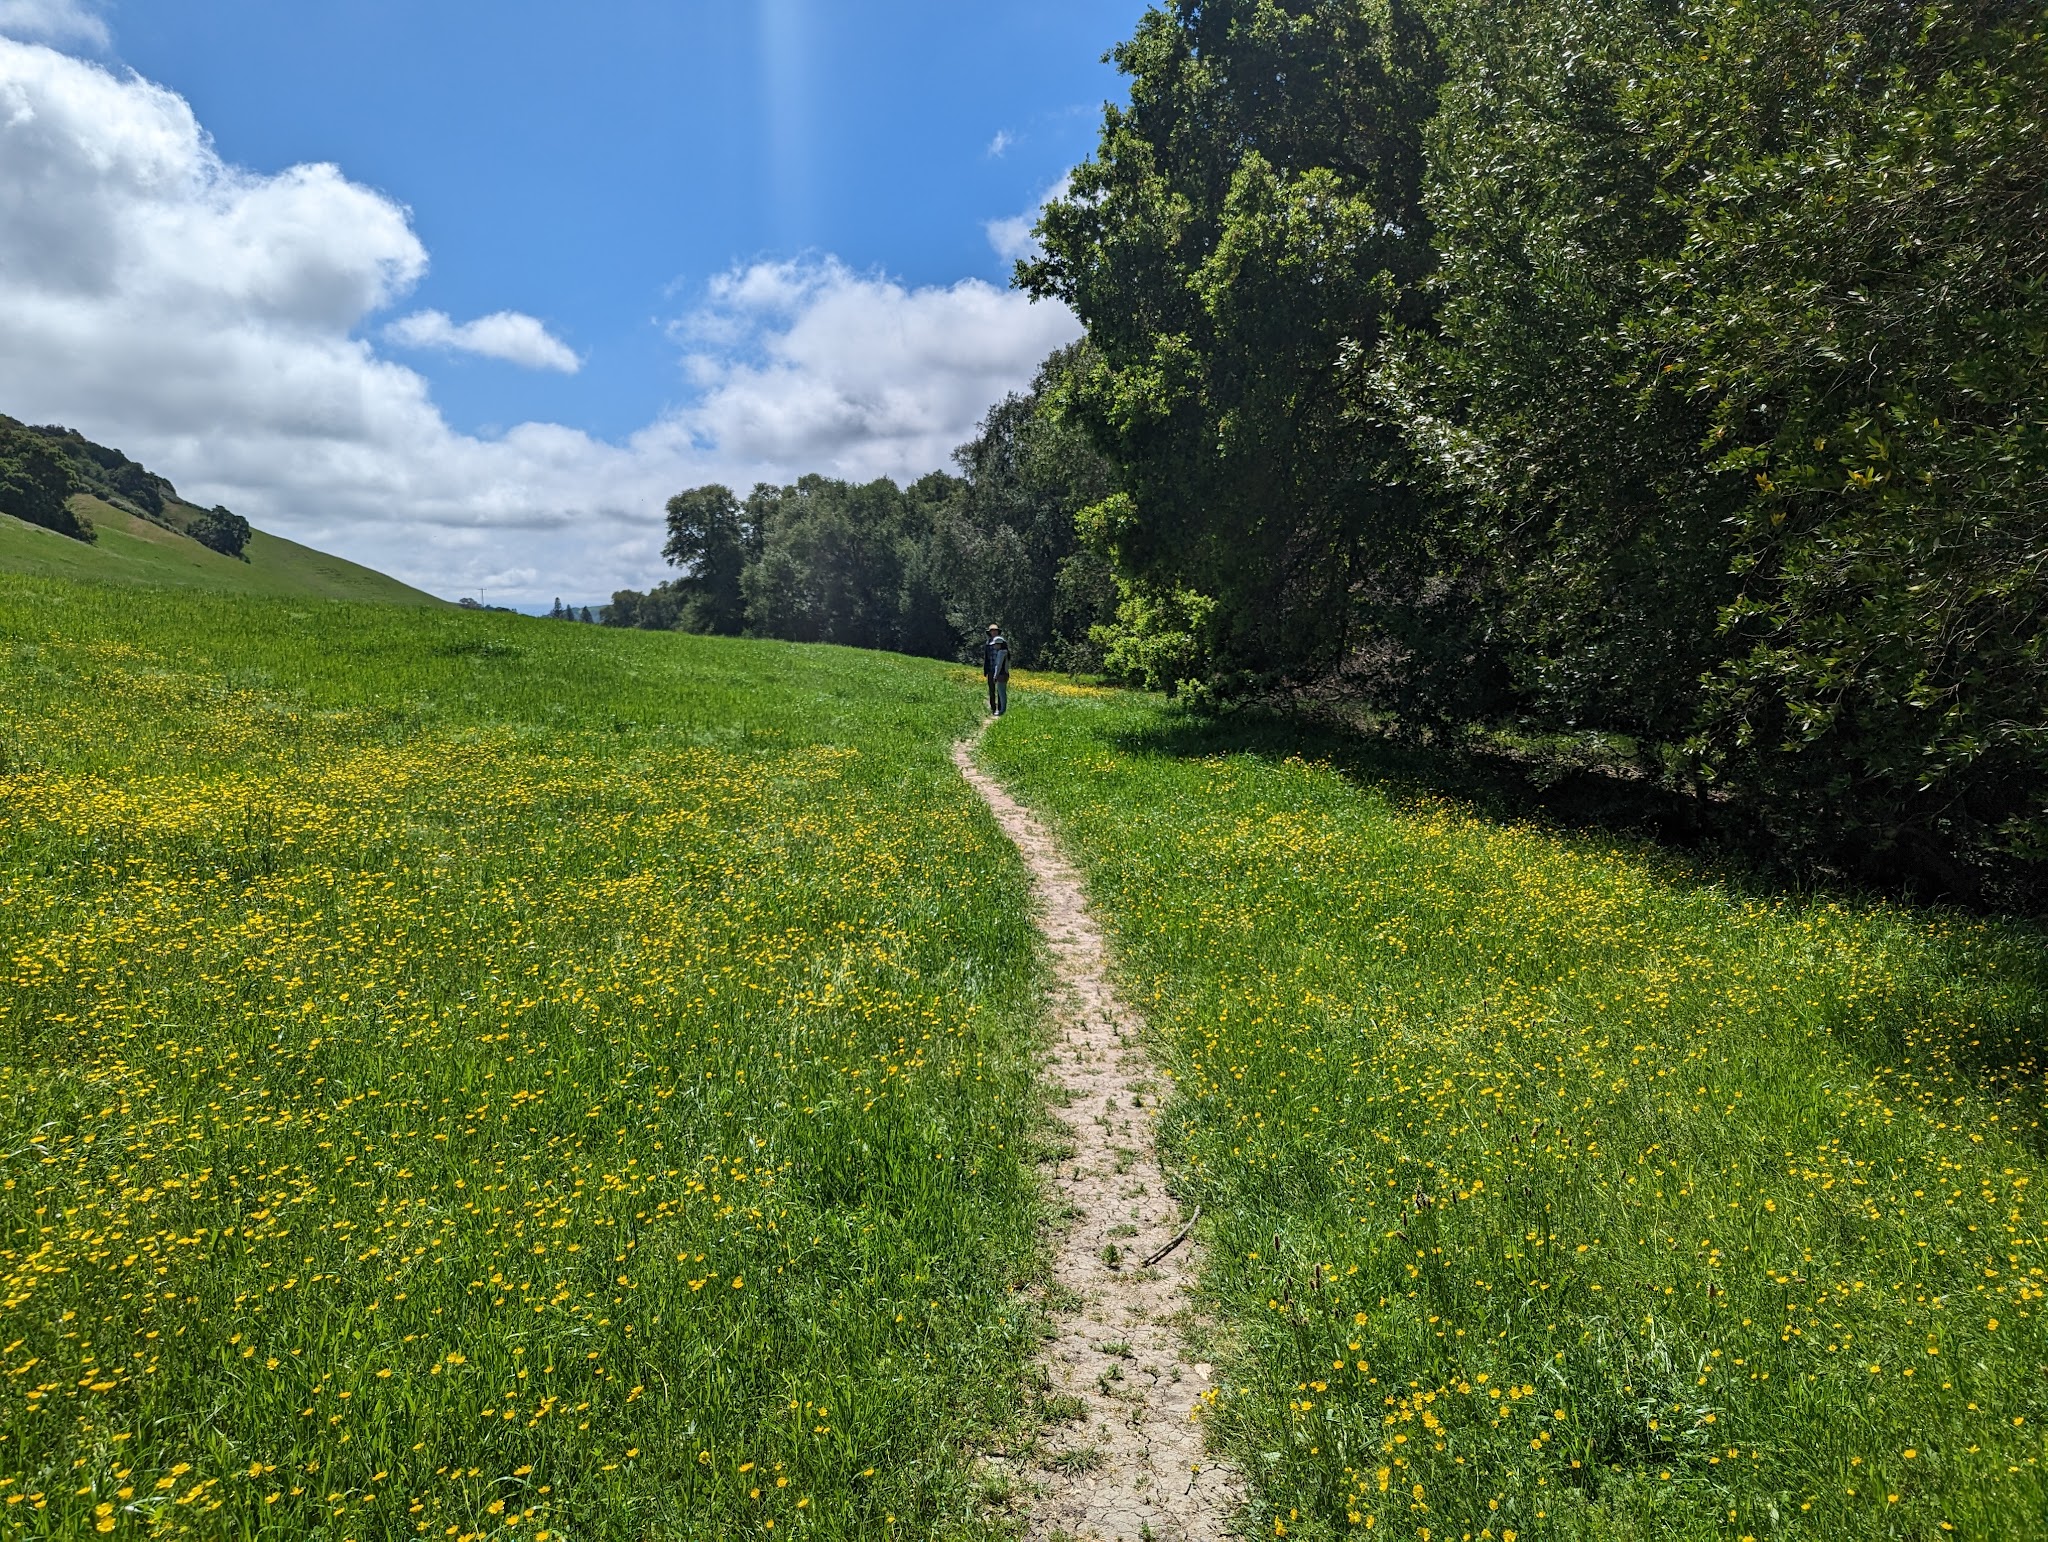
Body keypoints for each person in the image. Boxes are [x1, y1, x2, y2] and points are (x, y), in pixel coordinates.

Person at [981, 622, 1011, 716]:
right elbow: (986, 657)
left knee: (1000, 690)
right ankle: (993, 708)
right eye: (992, 631)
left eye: (995, 630)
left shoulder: (1002, 642)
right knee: (991, 690)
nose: (994, 632)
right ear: (990, 632)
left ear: (998, 632)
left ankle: (1000, 708)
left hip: (1000, 670)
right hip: (990, 669)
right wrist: (985, 669)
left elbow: (1006, 658)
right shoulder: (988, 643)